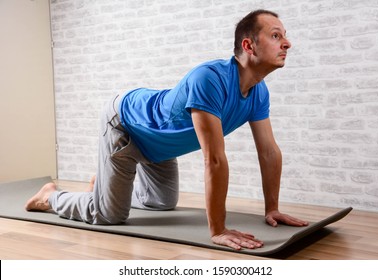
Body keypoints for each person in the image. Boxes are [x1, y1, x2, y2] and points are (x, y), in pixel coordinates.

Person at [26, 9, 308, 251]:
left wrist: (272, 208)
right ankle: (50, 196)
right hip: (127, 125)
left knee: (162, 202)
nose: (287, 43)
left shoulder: (258, 93)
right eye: (276, 36)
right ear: (249, 46)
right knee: (109, 214)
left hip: (158, 144)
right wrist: (218, 230)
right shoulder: (210, 79)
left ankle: (102, 186)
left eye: (284, 35)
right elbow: (214, 159)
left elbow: (269, 152)